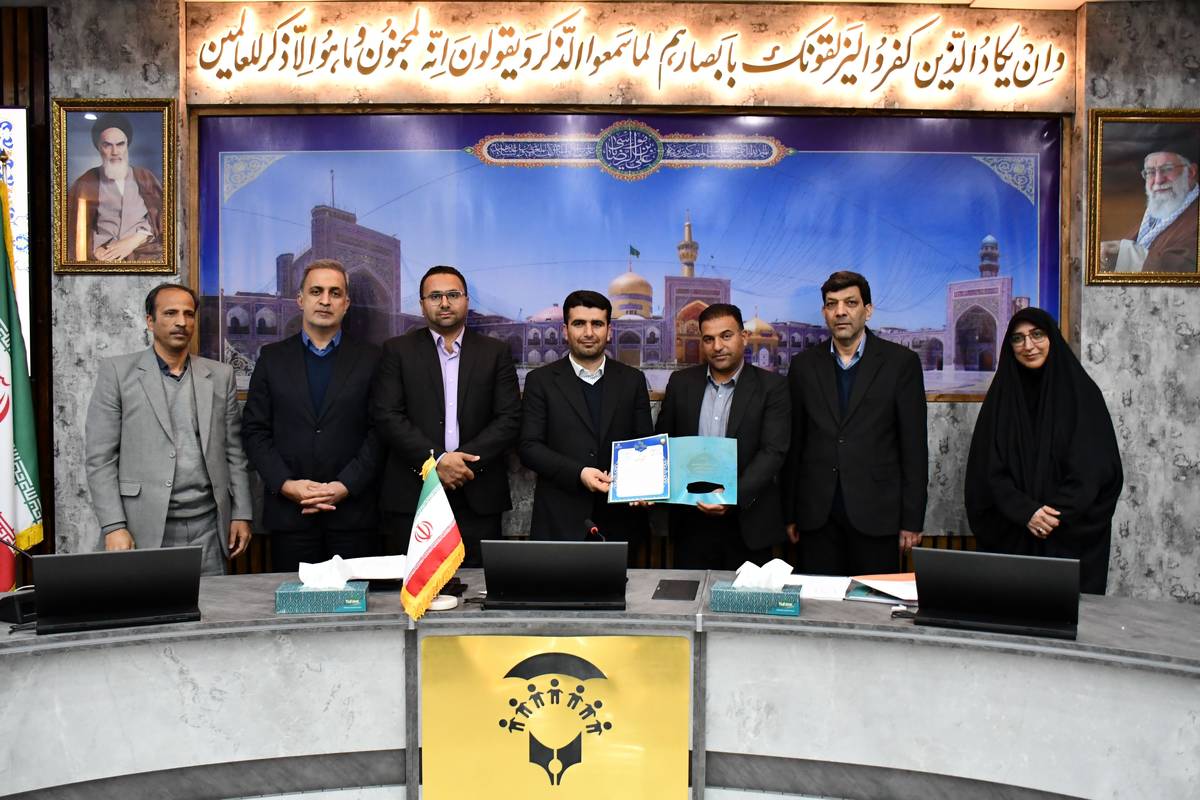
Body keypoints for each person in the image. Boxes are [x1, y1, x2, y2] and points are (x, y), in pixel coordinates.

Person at [84, 283, 252, 575]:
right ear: (150, 321)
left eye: (188, 314)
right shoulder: (117, 373)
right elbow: (101, 458)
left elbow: (234, 451)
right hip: (142, 526)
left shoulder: (220, 375)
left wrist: (241, 513)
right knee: (148, 604)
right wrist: (113, 526)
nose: (181, 322)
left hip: (209, 528)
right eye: (170, 313)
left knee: (210, 603)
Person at [965, 307, 1123, 594]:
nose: (1028, 346)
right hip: (1012, 536)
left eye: (1037, 335)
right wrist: (1026, 512)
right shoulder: (1001, 401)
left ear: (1052, 337)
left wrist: (1050, 517)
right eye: (1018, 338)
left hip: (1069, 538)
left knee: (1065, 615)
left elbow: (1094, 471)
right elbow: (988, 471)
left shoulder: (1082, 396)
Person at [371, 265, 521, 566]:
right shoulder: (397, 351)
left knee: (479, 586)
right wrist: (438, 460)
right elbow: (387, 415)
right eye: (435, 296)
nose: (444, 303)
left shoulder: (495, 352)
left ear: (466, 301)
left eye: (453, 295)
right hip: (415, 493)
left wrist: (462, 463)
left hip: (477, 492)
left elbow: (509, 418)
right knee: (415, 589)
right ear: (422, 304)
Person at [241, 260, 382, 572]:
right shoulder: (272, 358)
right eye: (316, 291)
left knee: (355, 601)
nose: (325, 300)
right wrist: (286, 484)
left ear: (347, 303)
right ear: (300, 299)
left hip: (354, 517)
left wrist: (345, 485)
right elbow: (254, 431)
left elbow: (380, 432)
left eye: (335, 293)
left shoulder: (373, 359)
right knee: (295, 602)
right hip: (291, 516)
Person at [784, 271, 927, 576]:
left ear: (868, 310)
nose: (840, 311)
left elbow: (914, 448)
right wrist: (790, 513)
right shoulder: (804, 366)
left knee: (872, 602)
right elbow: (795, 443)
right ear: (824, 312)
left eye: (850, 302)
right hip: (816, 516)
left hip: (878, 516)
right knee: (819, 601)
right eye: (831, 304)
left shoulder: (900, 363)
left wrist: (912, 519)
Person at [654, 303, 790, 570]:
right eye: (709, 339)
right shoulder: (681, 383)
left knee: (746, 596)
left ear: (744, 337)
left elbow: (773, 451)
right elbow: (664, 442)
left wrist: (732, 495)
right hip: (691, 519)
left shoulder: (772, 387)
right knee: (690, 594)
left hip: (748, 521)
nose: (717, 346)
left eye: (726, 336)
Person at [519, 290, 653, 552]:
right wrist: (579, 473)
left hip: (621, 521)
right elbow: (529, 448)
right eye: (579, 323)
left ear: (609, 331)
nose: (589, 332)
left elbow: (644, 444)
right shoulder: (541, 381)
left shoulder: (632, 380)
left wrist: (644, 485)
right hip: (560, 521)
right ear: (565, 330)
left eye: (597, 324)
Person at [66, 113, 163, 262]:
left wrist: (136, 239)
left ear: (127, 145)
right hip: (103, 256)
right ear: (99, 147)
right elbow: (75, 228)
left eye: (120, 144)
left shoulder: (145, 177)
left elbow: (161, 219)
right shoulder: (85, 182)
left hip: (144, 253)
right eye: (107, 145)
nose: (115, 152)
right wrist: (93, 248)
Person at [1101, 148, 1198, 273]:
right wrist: (1112, 252)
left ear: (1190, 172)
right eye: (1150, 172)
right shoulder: (1157, 214)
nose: (1158, 180)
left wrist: (1123, 253)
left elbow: (1185, 269)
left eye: (1167, 169)